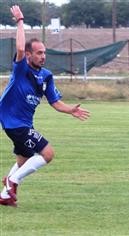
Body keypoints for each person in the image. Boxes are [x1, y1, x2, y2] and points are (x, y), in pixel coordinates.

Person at [0, 5, 90, 207]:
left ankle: (5, 195)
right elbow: (21, 48)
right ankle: (12, 181)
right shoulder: (21, 69)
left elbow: (55, 102)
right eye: (38, 53)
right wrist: (20, 21)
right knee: (47, 154)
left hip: (23, 124)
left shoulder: (46, 76)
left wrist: (71, 111)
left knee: (24, 160)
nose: (43, 56)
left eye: (44, 53)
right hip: (14, 123)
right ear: (30, 55)